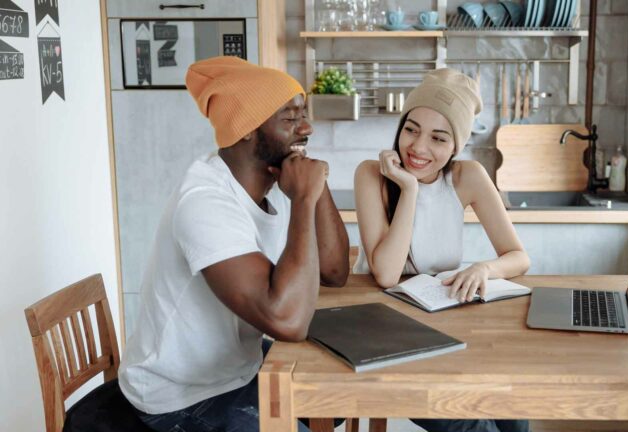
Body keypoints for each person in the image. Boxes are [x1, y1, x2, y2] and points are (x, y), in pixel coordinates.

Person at [118, 56, 349, 432]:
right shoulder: (205, 202)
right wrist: (304, 200)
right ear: (246, 129)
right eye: (289, 119)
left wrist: (315, 186)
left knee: (340, 398)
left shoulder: (272, 184)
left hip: (237, 369)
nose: (306, 127)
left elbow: (335, 272)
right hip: (181, 394)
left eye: (303, 114)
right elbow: (288, 322)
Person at [353, 68, 531, 432]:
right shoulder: (371, 174)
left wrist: (484, 268)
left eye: (438, 138)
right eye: (411, 129)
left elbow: (518, 256)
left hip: (444, 326)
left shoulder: (468, 177)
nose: (418, 148)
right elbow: (386, 274)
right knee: (473, 426)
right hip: (384, 338)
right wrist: (410, 189)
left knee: (511, 408)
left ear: (456, 147)